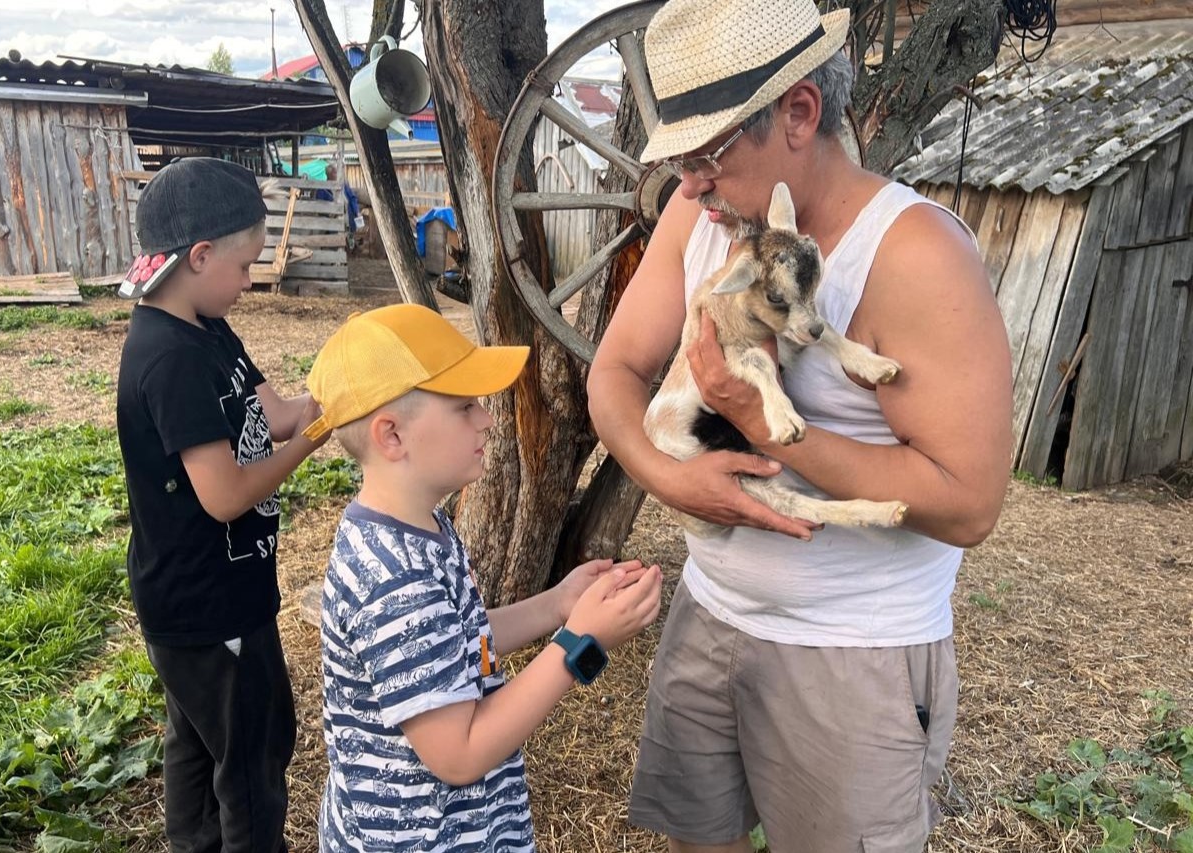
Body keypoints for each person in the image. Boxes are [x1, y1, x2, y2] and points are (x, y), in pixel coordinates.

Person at [586, 0, 1014, 851]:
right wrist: (670, 479)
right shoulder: (701, 220)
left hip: (849, 650)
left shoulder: (915, 256)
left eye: (706, 156)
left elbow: (969, 503)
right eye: (680, 163)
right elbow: (614, 374)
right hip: (710, 611)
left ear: (799, 113)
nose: (689, 185)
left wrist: (766, 424)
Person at [301, 303, 664, 852]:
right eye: (464, 406)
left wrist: (557, 605)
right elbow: (460, 754)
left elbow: (456, 640)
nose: (487, 419)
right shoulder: (395, 581)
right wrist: (579, 643)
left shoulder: (417, 526)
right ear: (392, 436)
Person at [116, 157, 331, 853]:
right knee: (252, 757)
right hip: (207, 607)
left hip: (215, 593)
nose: (249, 281)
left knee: (197, 742)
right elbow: (226, 495)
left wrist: (331, 400)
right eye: (244, 266)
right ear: (200, 256)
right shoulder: (169, 358)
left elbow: (273, 412)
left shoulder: (207, 328)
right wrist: (311, 444)